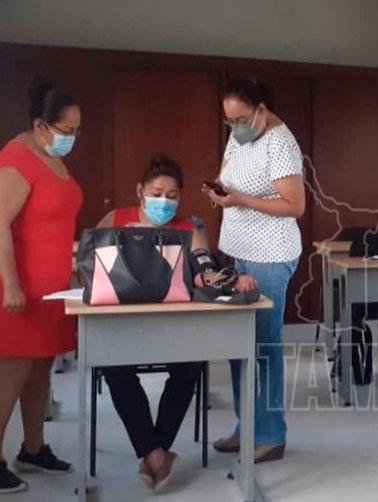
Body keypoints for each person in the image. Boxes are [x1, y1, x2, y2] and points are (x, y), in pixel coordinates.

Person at [96, 154, 258, 492]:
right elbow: (91, 262)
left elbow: (205, 270)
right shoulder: (116, 220)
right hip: (124, 327)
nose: (164, 202)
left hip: (176, 329)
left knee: (189, 366)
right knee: (115, 369)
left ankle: (153, 453)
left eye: (172, 196)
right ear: (140, 191)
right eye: (157, 194)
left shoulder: (188, 229)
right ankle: (157, 453)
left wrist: (230, 279)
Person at [207, 78, 305, 463]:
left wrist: (241, 200)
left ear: (261, 110)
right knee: (239, 343)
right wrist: (220, 194)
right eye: (229, 121)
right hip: (239, 251)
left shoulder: (281, 143)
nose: (235, 127)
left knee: (263, 345)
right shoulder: (240, 136)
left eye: (241, 119)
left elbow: (294, 205)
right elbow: (228, 176)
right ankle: (246, 426)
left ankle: (271, 434)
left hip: (271, 253)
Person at [0, 77, 82, 493]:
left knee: (39, 372)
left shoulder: (51, 156)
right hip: (20, 291)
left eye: (76, 130)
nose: (72, 138)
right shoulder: (17, 158)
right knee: (10, 374)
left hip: (52, 291)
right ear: (40, 126)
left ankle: (33, 448)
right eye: (66, 130)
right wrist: (10, 284)